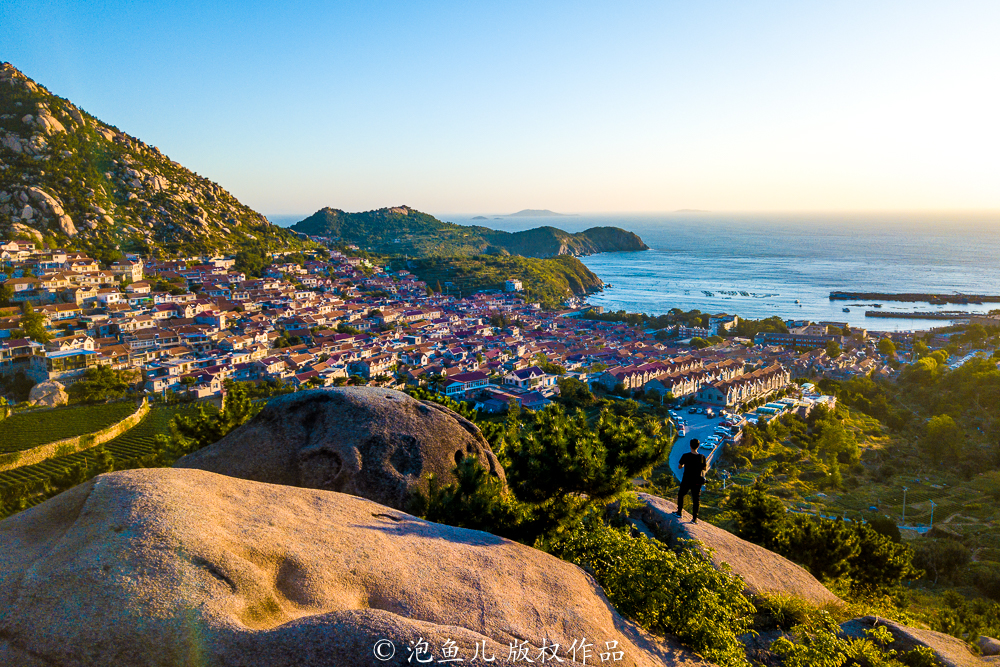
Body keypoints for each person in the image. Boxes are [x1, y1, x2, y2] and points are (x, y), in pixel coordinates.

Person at [675, 439, 707, 523]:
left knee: (681, 494)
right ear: (698, 446)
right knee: (696, 499)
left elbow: (679, 466)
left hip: (687, 479)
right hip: (697, 481)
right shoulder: (702, 457)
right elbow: (704, 468)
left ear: (690, 446)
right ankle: (694, 518)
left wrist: (685, 465)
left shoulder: (685, 456)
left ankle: (679, 512)